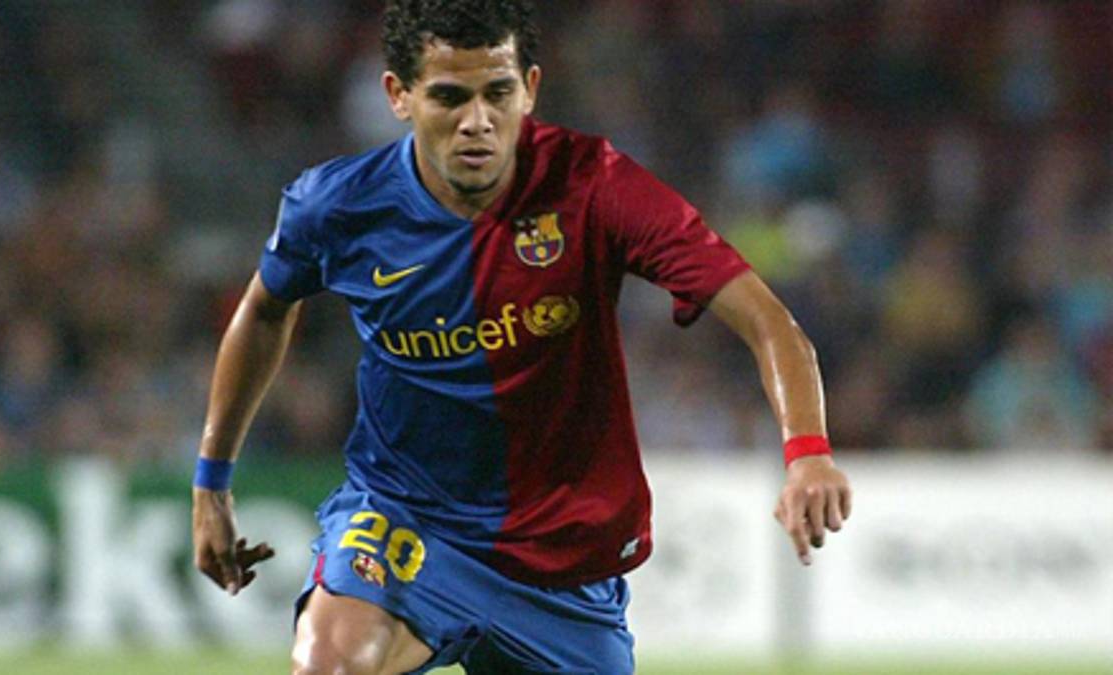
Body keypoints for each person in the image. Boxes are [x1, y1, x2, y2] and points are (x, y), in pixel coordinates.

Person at [191, 1, 852, 673]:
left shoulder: (595, 185)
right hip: (408, 518)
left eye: (498, 93)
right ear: (399, 95)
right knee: (329, 663)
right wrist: (211, 482)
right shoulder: (337, 205)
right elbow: (264, 309)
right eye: (450, 97)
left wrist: (808, 453)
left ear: (530, 88)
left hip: (561, 561)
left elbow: (772, 324)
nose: (477, 121)